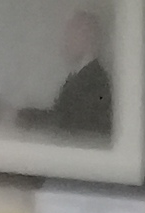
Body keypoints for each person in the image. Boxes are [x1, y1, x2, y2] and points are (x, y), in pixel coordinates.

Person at [20, 8, 116, 138]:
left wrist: (24, 117)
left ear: (87, 38)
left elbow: (67, 124)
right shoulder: (80, 76)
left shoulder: (95, 82)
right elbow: (61, 116)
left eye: (71, 36)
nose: (65, 43)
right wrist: (22, 114)